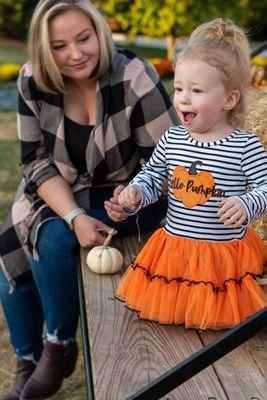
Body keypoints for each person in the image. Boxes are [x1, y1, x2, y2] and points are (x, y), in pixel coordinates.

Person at [0, 1, 178, 399]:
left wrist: (134, 195)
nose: (75, 54)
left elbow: (170, 162)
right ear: (44, 49)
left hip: (132, 193)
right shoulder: (32, 79)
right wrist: (75, 213)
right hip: (61, 187)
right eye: (60, 46)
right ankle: (25, 360)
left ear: (99, 32)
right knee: (8, 245)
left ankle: (58, 345)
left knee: (50, 236)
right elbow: (35, 162)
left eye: (83, 39)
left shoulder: (134, 75)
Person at [106, 18, 267, 331]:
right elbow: (153, 175)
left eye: (196, 90)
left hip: (220, 255)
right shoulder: (173, 138)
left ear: (229, 100)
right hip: (177, 248)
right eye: (178, 88)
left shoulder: (243, 145)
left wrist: (248, 204)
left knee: (216, 317)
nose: (183, 98)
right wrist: (137, 192)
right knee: (176, 314)